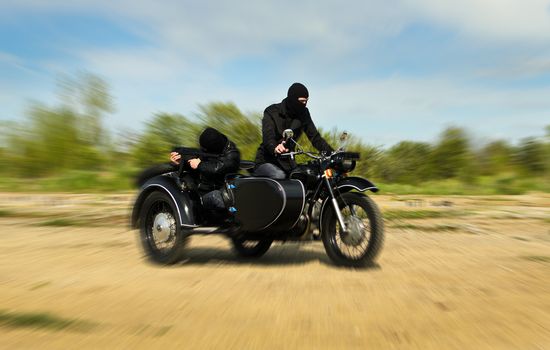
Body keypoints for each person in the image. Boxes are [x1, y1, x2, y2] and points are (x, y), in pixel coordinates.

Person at [254, 82, 333, 179]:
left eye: (306, 101)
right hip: (267, 161)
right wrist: (275, 147)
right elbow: (268, 137)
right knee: (279, 176)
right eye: (302, 101)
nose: (304, 104)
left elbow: (315, 137)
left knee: (310, 176)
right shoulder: (272, 112)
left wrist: (332, 153)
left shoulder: (304, 113)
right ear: (292, 99)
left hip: (288, 163)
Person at [170, 127, 240, 210]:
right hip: (201, 190)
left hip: (219, 193)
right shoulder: (213, 151)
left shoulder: (232, 154)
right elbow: (195, 166)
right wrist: (179, 163)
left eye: (205, 150)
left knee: (213, 198)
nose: (203, 151)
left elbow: (219, 167)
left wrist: (200, 165)